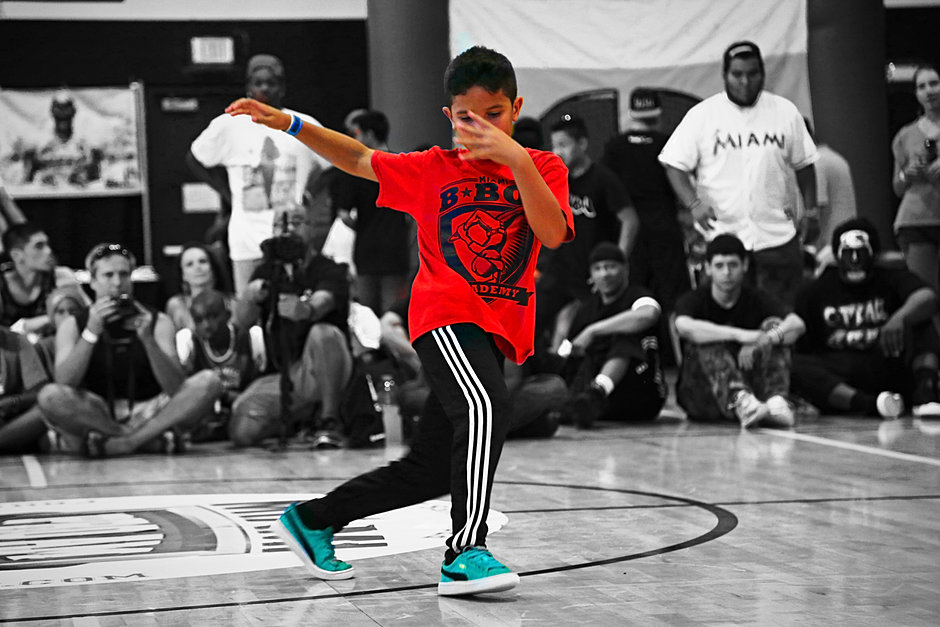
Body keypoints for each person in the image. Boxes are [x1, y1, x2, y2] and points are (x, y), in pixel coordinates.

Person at [225, 45, 573, 596]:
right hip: (443, 317)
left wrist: (518, 159)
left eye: (494, 114)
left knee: (432, 468)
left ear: (516, 109)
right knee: (488, 406)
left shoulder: (544, 167)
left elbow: (552, 233)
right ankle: (465, 553)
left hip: (492, 329)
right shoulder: (434, 168)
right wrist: (292, 124)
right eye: (467, 117)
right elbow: (358, 158)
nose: (481, 128)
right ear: (449, 116)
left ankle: (313, 520)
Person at [659, 41, 819, 307]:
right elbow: (673, 164)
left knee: (781, 315)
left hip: (777, 236)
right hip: (723, 237)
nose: (745, 82)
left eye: (752, 73)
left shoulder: (785, 112)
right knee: (726, 315)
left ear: (763, 73)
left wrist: (811, 211)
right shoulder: (702, 115)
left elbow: (805, 164)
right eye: (737, 74)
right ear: (725, 75)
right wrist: (694, 204)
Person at [37, 243, 222, 457]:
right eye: (108, 275)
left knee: (209, 382)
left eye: (124, 275)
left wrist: (148, 341)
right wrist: (91, 333)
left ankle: (125, 443)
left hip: (152, 409)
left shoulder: (158, 321)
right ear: (93, 281)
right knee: (49, 396)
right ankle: (145, 440)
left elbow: (174, 387)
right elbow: (64, 382)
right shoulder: (73, 325)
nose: (117, 283)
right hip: (97, 411)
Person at [186, 54, 330, 296]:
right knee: (249, 304)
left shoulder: (303, 124)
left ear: (282, 88)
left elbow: (332, 165)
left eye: (271, 83)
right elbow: (194, 158)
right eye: (258, 83)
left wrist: (308, 194)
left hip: (292, 238)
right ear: (248, 88)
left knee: (292, 303)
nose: (264, 88)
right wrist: (225, 192)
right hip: (246, 239)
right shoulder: (229, 124)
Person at [229, 201, 353, 450]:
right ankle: (301, 421)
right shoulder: (265, 272)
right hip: (284, 375)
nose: (287, 230)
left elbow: (324, 301)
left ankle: (329, 421)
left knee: (322, 333)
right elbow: (240, 323)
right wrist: (250, 297)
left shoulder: (330, 269)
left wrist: (305, 309)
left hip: (324, 367)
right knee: (241, 431)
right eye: (279, 224)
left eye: (296, 222)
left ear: (311, 227)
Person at [791, 218, 940, 418]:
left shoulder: (890, 277)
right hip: (842, 374)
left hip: (887, 362)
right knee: (796, 365)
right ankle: (870, 405)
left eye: (861, 253)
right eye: (848, 253)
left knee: (920, 319)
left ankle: (926, 394)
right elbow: (803, 347)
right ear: (837, 256)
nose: (854, 260)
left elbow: (928, 297)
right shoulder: (814, 291)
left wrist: (900, 318)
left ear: (873, 255)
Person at [674, 233, 805, 428]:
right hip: (702, 393)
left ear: (744, 265)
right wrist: (741, 336)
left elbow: (796, 324)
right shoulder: (695, 300)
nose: (726, 272)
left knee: (774, 326)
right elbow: (683, 326)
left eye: (733, 265)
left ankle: (776, 402)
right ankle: (742, 402)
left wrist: (765, 339)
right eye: (719, 266)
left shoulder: (756, 298)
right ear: (708, 268)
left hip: (751, 385)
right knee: (706, 340)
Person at [537, 115, 637, 359]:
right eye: (554, 146)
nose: (557, 152)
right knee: (527, 323)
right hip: (557, 269)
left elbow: (630, 220)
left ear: (582, 144)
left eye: (563, 145)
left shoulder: (602, 179)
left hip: (589, 274)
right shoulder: (554, 180)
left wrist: (617, 262)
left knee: (579, 337)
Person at [602, 88, 692, 362]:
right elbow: (682, 187)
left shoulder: (614, 147)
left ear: (631, 114)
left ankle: (633, 365)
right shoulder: (668, 144)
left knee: (634, 302)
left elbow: (607, 193)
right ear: (659, 114)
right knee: (676, 303)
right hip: (666, 233)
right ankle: (685, 366)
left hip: (631, 236)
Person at [552, 242, 667, 428]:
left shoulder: (638, 295)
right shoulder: (586, 309)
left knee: (625, 335)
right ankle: (584, 399)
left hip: (640, 396)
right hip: (595, 404)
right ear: (591, 275)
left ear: (625, 269)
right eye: (598, 269)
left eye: (610, 267)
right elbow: (570, 350)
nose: (604, 274)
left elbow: (648, 314)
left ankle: (598, 391)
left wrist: (593, 330)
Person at [332, 110, 411, 314]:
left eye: (356, 133)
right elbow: (413, 210)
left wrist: (363, 227)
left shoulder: (355, 168)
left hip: (367, 247)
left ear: (369, 134)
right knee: (393, 313)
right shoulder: (402, 164)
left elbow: (344, 214)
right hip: (396, 247)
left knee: (367, 315)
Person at [177, 288, 265, 440]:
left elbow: (260, 388)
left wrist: (229, 397)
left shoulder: (248, 339)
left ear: (228, 315)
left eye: (212, 317)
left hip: (244, 408)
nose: (206, 325)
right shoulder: (191, 343)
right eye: (199, 320)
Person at [891, 64, 940, 293]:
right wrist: (907, 173)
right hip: (916, 221)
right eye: (922, 87)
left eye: (934, 84)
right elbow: (897, 187)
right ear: (916, 94)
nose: (929, 91)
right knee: (925, 294)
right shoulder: (905, 135)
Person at [0, 221, 80, 338]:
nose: (49, 251)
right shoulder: (2, 284)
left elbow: (83, 316)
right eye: (39, 246)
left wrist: (28, 325)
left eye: (47, 244)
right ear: (16, 255)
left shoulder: (60, 276)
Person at [0, 326, 50, 453]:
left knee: (50, 405)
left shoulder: (16, 340)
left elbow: (40, 392)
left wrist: (14, 402)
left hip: (9, 421)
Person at [164, 241, 232, 332]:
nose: (197, 267)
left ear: (213, 267)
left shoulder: (231, 303)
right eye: (189, 264)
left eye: (202, 261)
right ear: (182, 275)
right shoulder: (176, 305)